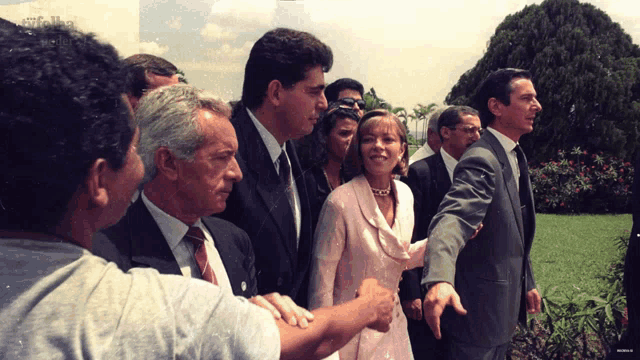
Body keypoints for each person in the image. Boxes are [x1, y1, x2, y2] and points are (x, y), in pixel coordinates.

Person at [0, 24, 398, 360]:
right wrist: (367, 306)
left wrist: (257, 310)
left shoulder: (232, 237)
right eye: (130, 146)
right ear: (98, 180)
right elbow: (289, 340)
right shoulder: (147, 300)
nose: (236, 174)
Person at [93, 84, 283, 309]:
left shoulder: (235, 241)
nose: (237, 173)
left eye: (234, 157)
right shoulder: (106, 256)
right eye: (222, 157)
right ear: (168, 162)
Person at [422, 68, 542, 360]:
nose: (537, 106)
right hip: (477, 319)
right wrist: (439, 278)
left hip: (503, 312)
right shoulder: (481, 158)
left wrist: (527, 281)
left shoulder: (513, 153)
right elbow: (452, 218)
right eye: (527, 98)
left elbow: (513, 228)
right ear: (496, 107)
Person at [216, 27, 332, 307]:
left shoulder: (295, 149)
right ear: (276, 92)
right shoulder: (224, 158)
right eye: (313, 92)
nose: (324, 104)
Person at [309, 109, 428, 360]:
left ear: (402, 149)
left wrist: (454, 238)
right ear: (359, 148)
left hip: (393, 329)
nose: (378, 146)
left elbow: (397, 258)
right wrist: (326, 352)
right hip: (347, 337)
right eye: (368, 139)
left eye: (388, 139)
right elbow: (321, 287)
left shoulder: (405, 195)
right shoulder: (339, 202)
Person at [400, 105, 482, 359]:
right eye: (469, 130)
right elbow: (409, 236)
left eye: (479, 131)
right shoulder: (420, 173)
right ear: (445, 132)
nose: (476, 138)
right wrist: (411, 292)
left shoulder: (479, 173)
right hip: (428, 288)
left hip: (470, 286)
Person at [295, 102, 360, 230]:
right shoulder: (307, 178)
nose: (351, 140)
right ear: (324, 137)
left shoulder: (351, 177)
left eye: (355, 135)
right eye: (344, 133)